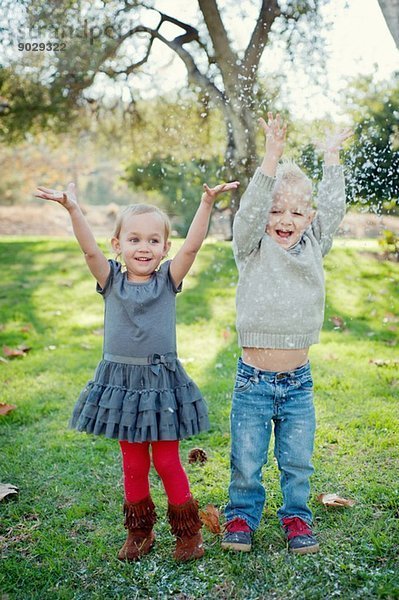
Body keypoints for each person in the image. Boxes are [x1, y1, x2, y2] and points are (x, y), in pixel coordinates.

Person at [34, 178, 239, 562]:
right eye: (134, 239)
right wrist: (74, 209)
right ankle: (140, 531)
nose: (143, 247)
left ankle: (187, 532)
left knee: (166, 461)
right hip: (122, 386)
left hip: (161, 385)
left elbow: (193, 246)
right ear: (118, 244)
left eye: (152, 240)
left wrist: (207, 203)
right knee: (132, 463)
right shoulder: (110, 280)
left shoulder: (167, 281)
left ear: (164, 247)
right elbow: (88, 250)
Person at [221, 113, 352, 555]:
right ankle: (240, 516)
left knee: (297, 462)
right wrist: (271, 157)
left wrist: (332, 158)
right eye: (276, 210)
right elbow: (253, 207)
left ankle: (297, 517)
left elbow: (333, 208)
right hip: (252, 381)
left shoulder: (315, 242)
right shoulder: (251, 244)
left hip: (298, 382)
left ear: (309, 216)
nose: (285, 219)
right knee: (247, 459)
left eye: (297, 211)